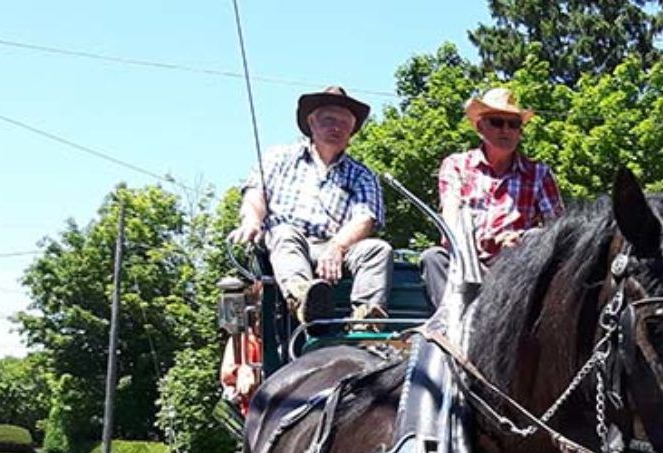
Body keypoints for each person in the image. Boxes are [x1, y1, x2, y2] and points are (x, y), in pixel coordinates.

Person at [227, 86, 392, 329]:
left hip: (336, 248)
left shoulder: (363, 175)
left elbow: (365, 218)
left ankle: (365, 321)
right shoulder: (280, 157)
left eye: (344, 124)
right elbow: (255, 193)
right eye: (329, 120)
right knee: (284, 233)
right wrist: (251, 220)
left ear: (352, 132)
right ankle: (304, 298)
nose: (336, 128)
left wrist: (337, 247)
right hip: (288, 243)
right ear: (311, 124)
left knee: (378, 249)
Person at [420, 87, 564, 311]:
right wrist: (476, 241)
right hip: (465, 263)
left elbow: (558, 230)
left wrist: (524, 239)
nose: (506, 130)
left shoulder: (539, 173)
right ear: (480, 127)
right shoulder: (456, 165)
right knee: (434, 258)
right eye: (497, 122)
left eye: (514, 124)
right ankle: (453, 323)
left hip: (517, 267)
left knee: (538, 243)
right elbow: (450, 219)